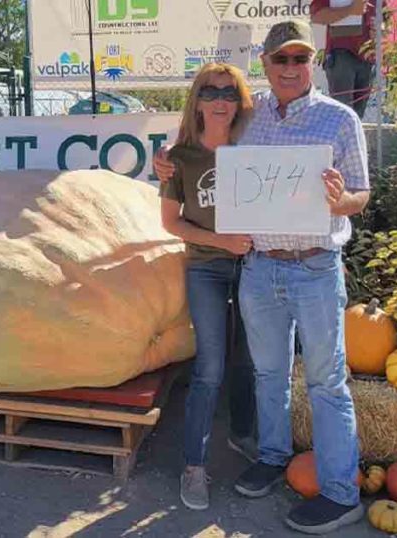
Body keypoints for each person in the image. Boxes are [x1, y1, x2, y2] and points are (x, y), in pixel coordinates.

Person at [154, 19, 370, 534]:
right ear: (267, 67)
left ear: (313, 63)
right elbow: (203, 141)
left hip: (315, 267)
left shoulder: (340, 120)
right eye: (281, 59)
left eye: (300, 58)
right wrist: (162, 162)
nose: (291, 68)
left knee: (326, 382)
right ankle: (272, 458)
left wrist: (342, 201)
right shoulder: (253, 122)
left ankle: (342, 493)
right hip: (261, 267)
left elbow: (361, 193)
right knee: (268, 375)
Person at [158, 62, 259, 511]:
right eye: (211, 91)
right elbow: (171, 224)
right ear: (197, 100)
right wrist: (221, 241)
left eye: (230, 92)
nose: (220, 100)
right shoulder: (179, 158)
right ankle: (194, 465)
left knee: (250, 362)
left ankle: (242, 436)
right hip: (206, 270)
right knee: (210, 367)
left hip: (256, 268)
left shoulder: (255, 147)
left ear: (240, 102)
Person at [312, 0, 377, 118]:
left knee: (357, 118)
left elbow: (384, 16)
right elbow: (317, 15)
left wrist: (380, 29)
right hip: (341, 54)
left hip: (368, 57)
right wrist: (351, 10)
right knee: (342, 115)